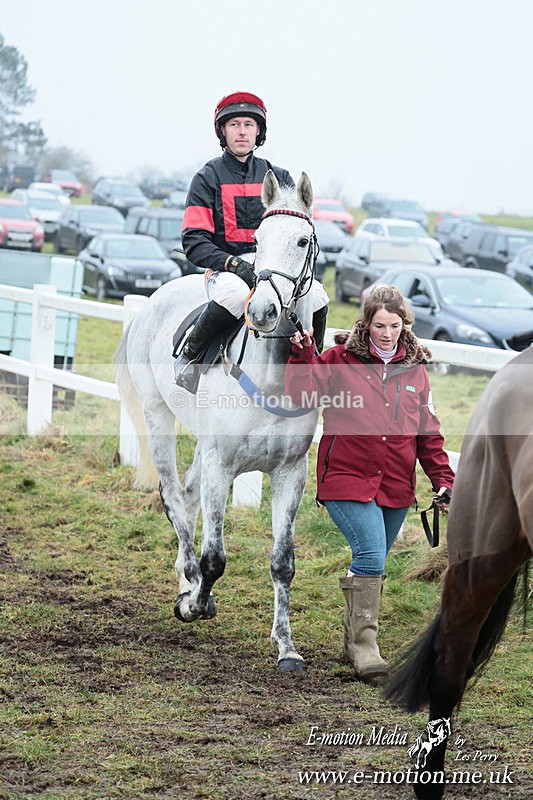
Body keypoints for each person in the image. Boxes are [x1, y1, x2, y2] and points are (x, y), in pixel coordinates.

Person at [285, 284, 454, 685]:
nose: (387, 333)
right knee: (373, 555)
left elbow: (428, 433)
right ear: (366, 323)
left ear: (404, 325)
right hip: (345, 478)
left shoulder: (415, 372)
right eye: (380, 324)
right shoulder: (339, 360)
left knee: (372, 565)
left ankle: (353, 640)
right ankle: (365, 647)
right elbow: (302, 396)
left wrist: (444, 481)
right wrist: (303, 355)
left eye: (395, 325)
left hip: (396, 483)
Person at [174, 91, 329, 393]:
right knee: (234, 294)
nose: (242, 131)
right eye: (234, 124)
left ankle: (317, 367)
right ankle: (189, 360)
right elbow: (194, 241)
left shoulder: (280, 177)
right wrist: (233, 264)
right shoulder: (207, 178)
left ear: (259, 131)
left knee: (319, 296)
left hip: (274, 270)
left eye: (248, 124)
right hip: (226, 270)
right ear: (223, 131)